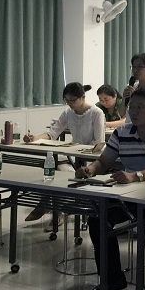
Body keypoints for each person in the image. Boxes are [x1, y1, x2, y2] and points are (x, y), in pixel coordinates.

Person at [76, 89, 145, 290]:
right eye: (131, 107)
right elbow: (104, 161)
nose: (133, 112)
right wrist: (91, 169)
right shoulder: (122, 132)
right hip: (128, 193)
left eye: (140, 107)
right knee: (98, 219)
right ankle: (112, 279)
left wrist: (135, 176)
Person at [24, 82, 106, 224]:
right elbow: (52, 133)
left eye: (72, 100)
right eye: (66, 100)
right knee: (55, 168)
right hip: (74, 155)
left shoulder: (96, 113)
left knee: (62, 172)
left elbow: (98, 143)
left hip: (91, 158)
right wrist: (34, 138)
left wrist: (79, 150)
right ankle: (57, 211)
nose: (69, 103)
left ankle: (48, 207)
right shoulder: (68, 112)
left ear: (83, 97)